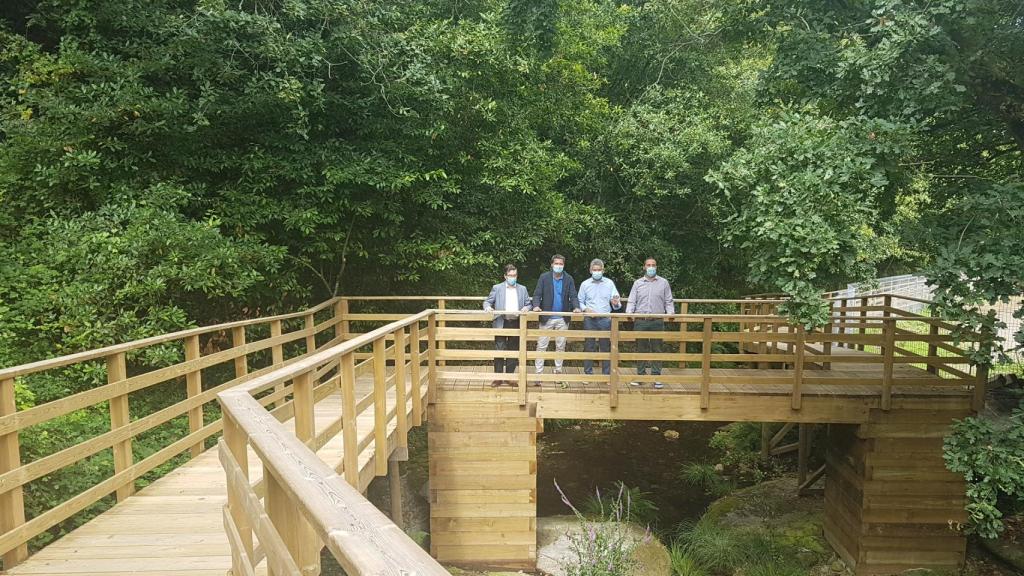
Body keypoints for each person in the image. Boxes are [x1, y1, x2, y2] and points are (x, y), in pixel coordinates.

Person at [625, 257, 674, 389]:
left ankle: (656, 377)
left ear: (656, 267)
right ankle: (640, 376)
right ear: (644, 267)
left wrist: (671, 314)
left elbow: (668, 301)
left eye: (653, 265)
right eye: (648, 265)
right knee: (641, 348)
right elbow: (632, 301)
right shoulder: (638, 283)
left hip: (657, 321)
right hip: (641, 321)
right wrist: (629, 313)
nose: (651, 267)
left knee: (657, 349)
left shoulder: (663, 283)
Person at [532, 254, 581, 384]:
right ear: (552, 264)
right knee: (542, 346)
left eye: (561, 264)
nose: (558, 266)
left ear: (563, 265)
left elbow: (573, 295)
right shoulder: (544, 277)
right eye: (556, 263)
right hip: (546, 317)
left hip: (562, 318)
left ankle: (558, 371)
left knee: (560, 346)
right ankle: (538, 374)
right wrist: (536, 306)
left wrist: (576, 307)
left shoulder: (568, 279)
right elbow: (537, 294)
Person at [483, 264, 532, 387]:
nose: (513, 277)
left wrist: (526, 307)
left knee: (513, 350)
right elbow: (487, 301)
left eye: (514, 275)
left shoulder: (523, 289)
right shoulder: (497, 288)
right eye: (510, 275)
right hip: (501, 321)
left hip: (516, 322)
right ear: (505, 276)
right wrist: (488, 307)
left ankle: (510, 377)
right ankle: (498, 378)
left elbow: (528, 303)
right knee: (499, 350)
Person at [577, 258, 621, 377]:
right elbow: (579, 301)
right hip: (589, 319)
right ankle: (588, 373)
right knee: (589, 346)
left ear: (603, 270)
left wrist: (616, 302)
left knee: (606, 346)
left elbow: (617, 303)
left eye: (599, 269)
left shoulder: (609, 283)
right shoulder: (585, 284)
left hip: (605, 319)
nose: (597, 272)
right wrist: (586, 309)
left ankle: (606, 374)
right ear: (590, 270)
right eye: (594, 270)